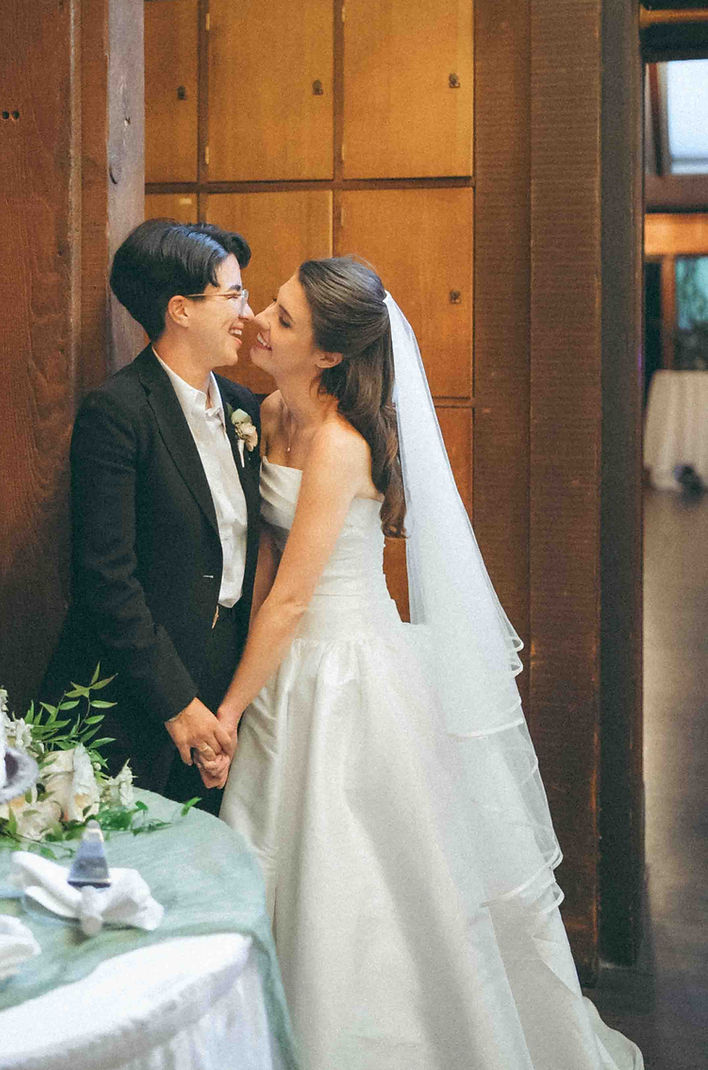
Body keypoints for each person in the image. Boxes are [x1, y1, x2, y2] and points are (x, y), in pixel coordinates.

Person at [217, 256, 643, 1069]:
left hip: (348, 670)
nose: (258, 321)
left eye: (282, 318)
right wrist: (246, 683)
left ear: (329, 355)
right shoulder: (270, 413)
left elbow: (296, 599)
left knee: (360, 872)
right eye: (269, 304)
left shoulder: (342, 445)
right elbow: (269, 561)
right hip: (282, 662)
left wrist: (228, 712)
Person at [41, 219, 261, 813]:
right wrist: (178, 704)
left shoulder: (245, 410)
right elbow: (105, 580)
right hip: (133, 695)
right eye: (233, 295)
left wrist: (227, 707)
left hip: (224, 688)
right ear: (180, 309)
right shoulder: (118, 412)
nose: (247, 311)